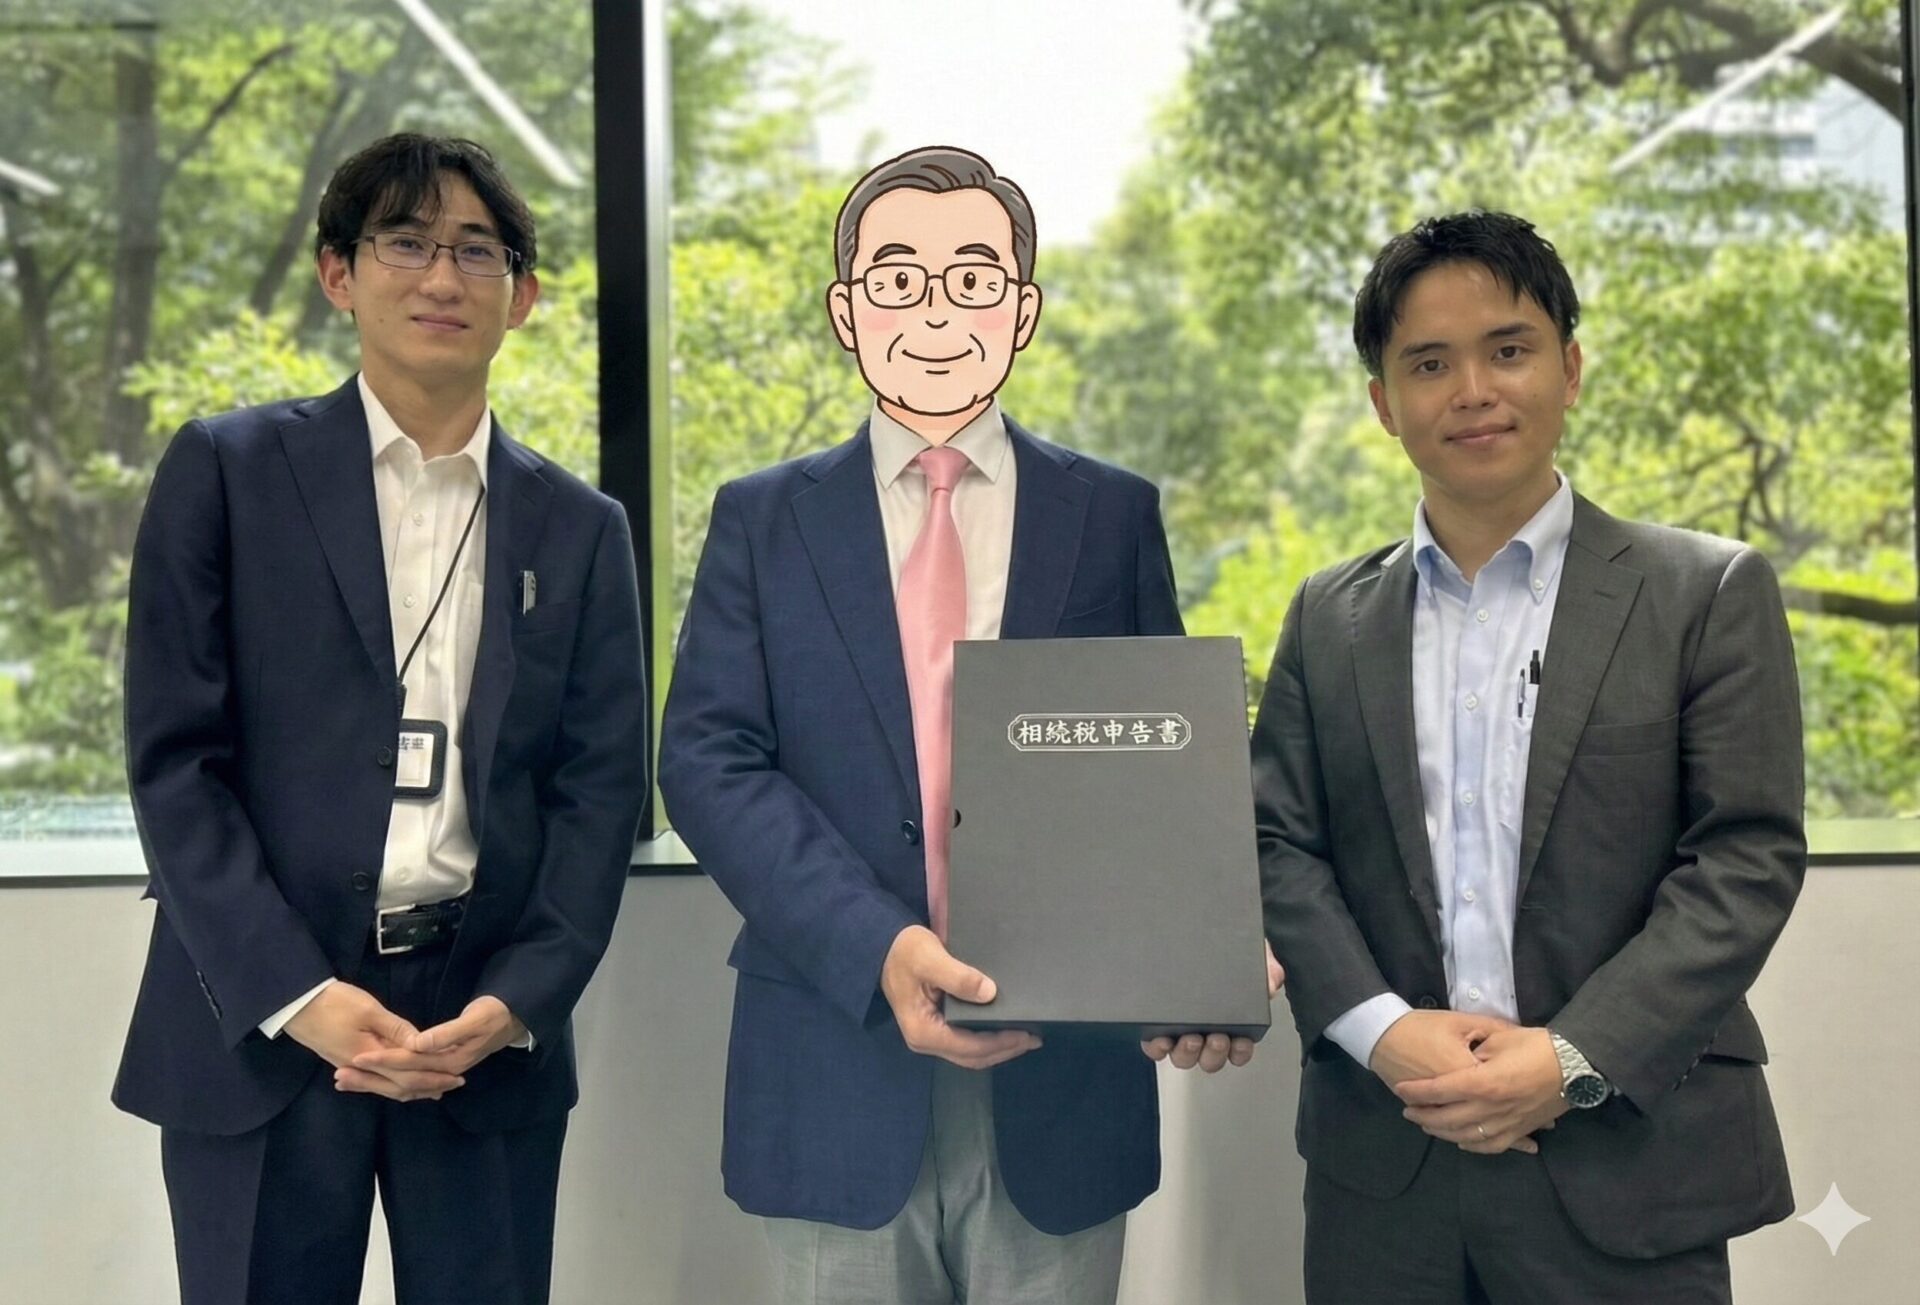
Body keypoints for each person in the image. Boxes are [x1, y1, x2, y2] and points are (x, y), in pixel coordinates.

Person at [660, 145, 1274, 1305]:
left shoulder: (1111, 513)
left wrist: (1198, 951)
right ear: (847, 311)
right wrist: (876, 946)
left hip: (1065, 1073)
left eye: (974, 280)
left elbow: (1162, 759)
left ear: (1021, 311)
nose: (936, 314)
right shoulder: (762, 519)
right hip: (834, 1050)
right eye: (898, 280)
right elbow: (707, 759)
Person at [113, 133, 648, 1305]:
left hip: (480, 1027)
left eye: (477, 250)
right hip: (263, 1020)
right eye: (405, 242)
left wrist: (517, 1002)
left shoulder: (581, 529)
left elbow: (599, 793)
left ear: (523, 297)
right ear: (338, 274)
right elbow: (174, 764)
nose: (442, 276)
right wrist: (299, 995)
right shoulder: (225, 471)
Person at [1255, 210, 1805, 1303]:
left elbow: (1744, 859)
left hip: (1625, 1167)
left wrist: (1571, 1058)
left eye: (1508, 350)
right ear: (1384, 403)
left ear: (1570, 368)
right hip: (1389, 1170)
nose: (1474, 391)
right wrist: (1383, 1031)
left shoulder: (1704, 592)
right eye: (1428, 363)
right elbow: (1278, 845)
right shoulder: (1327, 617)